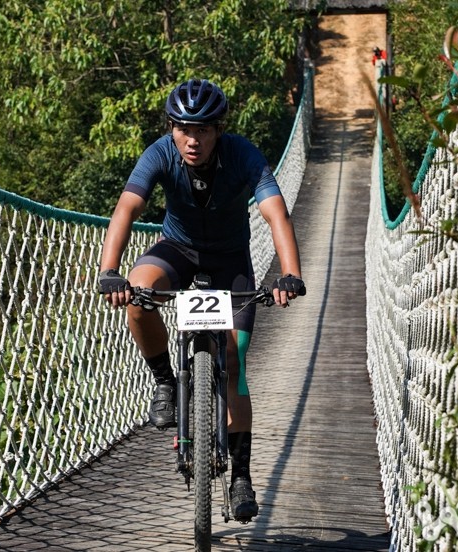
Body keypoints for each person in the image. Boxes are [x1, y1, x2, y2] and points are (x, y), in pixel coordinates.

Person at [97, 78, 305, 522]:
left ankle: (241, 478)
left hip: (231, 260)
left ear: (219, 130)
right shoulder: (159, 154)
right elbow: (127, 209)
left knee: (234, 357)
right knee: (138, 294)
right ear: (171, 128)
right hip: (178, 250)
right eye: (183, 129)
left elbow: (275, 213)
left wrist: (290, 274)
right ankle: (165, 382)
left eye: (204, 130)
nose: (193, 140)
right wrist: (109, 272)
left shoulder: (244, 156)